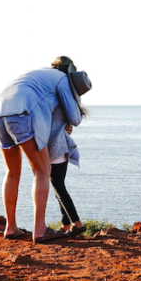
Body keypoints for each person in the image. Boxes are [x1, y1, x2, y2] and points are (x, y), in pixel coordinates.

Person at [0, 57, 92, 243]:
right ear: (70, 72)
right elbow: (75, 118)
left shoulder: (39, 75)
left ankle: (11, 228)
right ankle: (40, 230)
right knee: (43, 171)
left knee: (12, 172)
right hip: (22, 113)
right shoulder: (62, 79)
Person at [46, 56, 88, 236]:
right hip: (62, 145)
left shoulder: (53, 92)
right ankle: (65, 226)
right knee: (59, 187)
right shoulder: (67, 93)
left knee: (58, 188)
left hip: (54, 146)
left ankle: (77, 224)